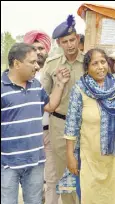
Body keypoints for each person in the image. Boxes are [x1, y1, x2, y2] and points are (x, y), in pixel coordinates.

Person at [56, 48, 115, 204]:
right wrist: (70, 156)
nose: (100, 67)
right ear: (87, 68)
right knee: (91, 196)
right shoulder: (80, 89)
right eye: (94, 63)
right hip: (90, 157)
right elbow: (71, 125)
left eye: (103, 62)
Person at [1, 43, 70, 204]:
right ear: (17, 64)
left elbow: (51, 106)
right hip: (8, 165)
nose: (37, 67)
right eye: (32, 62)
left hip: (35, 162)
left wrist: (60, 84)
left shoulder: (35, 86)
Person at [41, 15, 84, 204]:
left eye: (72, 40)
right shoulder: (52, 65)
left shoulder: (90, 62)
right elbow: (43, 101)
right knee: (65, 172)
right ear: (59, 43)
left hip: (86, 125)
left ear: (78, 39)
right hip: (60, 125)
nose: (69, 45)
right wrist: (59, 82)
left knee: (87, 171)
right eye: (65, 41)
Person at [24, 30, 59, 204]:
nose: (38, 52)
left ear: (47, 49)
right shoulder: (21, 74)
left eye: (41, 48)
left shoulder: (53, 70)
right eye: (34, 48)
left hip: (51, 132)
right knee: (32, 180)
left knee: (52, 178)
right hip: (29, 135)